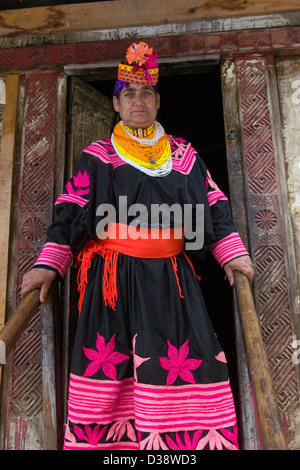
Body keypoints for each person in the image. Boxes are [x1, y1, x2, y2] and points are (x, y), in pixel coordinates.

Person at [21, 42, 254, 451]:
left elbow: (215, 206)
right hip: (114, 286)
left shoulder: (184, 155)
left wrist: (232, 255)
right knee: (113, 369)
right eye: (128, 93)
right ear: (115, 102)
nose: (138, 100)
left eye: (146, 92)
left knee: (184, 360)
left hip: (173, 282)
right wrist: (49, 265)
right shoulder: (99, 157)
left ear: (159, 100)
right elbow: (72, 212)